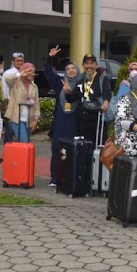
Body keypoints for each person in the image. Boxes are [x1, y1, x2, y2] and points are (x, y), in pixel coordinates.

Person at [44, 46, 81, 187]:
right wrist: (50, 58)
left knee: (72, 150)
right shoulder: (60, 84)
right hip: (60, 121)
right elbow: (48, 73)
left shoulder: (80, 84)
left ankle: (70, 178)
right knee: (56, 149)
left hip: (73, 123)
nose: (71, 70)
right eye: (68, 69)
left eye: (73, 68)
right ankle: (55, 178)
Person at [68, 53, 111, 147]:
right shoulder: (80, 80)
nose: (89, 66)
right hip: (82, 120)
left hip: (97, 119)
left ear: (96, 65)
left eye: (91, 63)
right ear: (83, 66)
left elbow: (107, 92)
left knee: (98, 147)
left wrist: (106, 102)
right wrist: (67, 92)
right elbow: (71, 99)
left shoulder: (102, 78)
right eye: (86, 63)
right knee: (84, 149)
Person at [4, 61, 40, 144]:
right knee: (24, 142)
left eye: (33, 72)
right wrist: (20, 74)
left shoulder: (34, 86)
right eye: (30, 71)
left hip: (28, 119)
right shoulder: (15, 83)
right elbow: (7, 78)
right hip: (15, 117)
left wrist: (36, 119)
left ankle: (18, 157)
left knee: (24, 143)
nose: (32, 73)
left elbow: (36, 104)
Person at [3, 52, 25, 142]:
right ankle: (8, 154)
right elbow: (4, 90)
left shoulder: (26, 73)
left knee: (21, 132)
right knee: (10, 131)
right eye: (18, 61)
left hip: (23, 106)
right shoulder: (8, 73)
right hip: (11, 105)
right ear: (13, 62)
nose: (20, 62)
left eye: (21, 61)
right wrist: (5, 105)